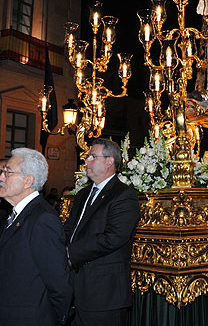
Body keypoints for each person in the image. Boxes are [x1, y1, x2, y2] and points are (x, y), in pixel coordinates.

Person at [0, 148, 71, 326]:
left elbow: (59, 285)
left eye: (7, 172)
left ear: (27, 181)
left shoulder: (42, 219)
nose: (0, 178)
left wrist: (51, 319)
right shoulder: (16, 213)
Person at [64, 138, 140, 326]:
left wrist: (70, 253)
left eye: (92, 156)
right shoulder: (83, 194)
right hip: (75, 287)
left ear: (109, 161)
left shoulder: (124, 195)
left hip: (104, 292)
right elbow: (69, 229)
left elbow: (113, 238)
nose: (86, 161)